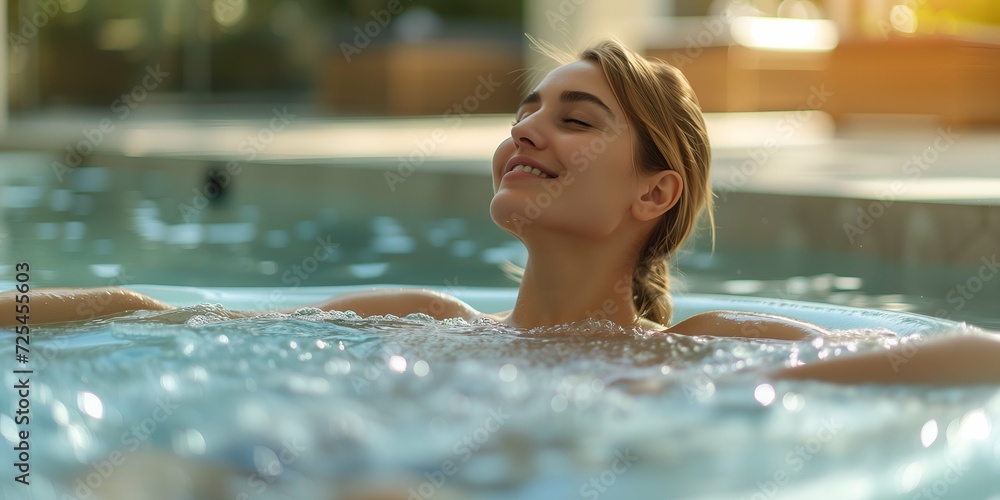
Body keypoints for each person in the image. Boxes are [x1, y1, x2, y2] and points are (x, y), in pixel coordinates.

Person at [2, 40, 998, 385]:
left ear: (655, 194)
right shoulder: (427, 319)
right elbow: (170, 318)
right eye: (526, 108)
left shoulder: (697, 345)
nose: (527, 128)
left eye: (575, 117)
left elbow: (959, 351)